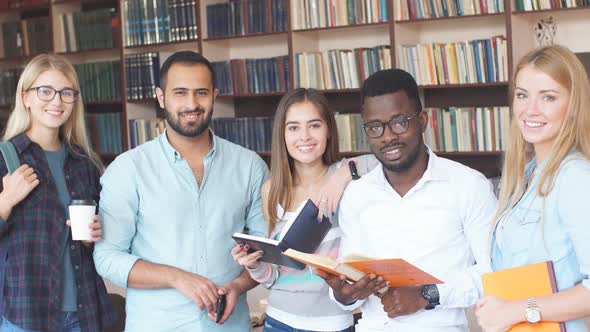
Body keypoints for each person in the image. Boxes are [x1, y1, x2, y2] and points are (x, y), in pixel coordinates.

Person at [93, 51, 268, 331]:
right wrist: (177, 277)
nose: (191, 103)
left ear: (214, 94)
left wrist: (238, 285)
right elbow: (107, 257)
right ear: (161, 97)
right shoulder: (128, 169)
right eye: (180, 93)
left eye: (201, 92)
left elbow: (265, 252)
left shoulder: (250, 166)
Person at [316, 68, 498, 332]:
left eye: (399, 121)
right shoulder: (357, 194)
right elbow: (349, 281)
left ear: (422, 120)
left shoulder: (469, 186)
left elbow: (493, 274)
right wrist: (345, 294)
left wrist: (428, 295)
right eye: (375, 127)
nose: (388, 136)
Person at [231, 88, 382, 332]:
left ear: (328, 130)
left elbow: (389, 159)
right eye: (293, 127)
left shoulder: (347, 177)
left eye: (314, 125)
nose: (304, 136)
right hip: (278, 321)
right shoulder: (272, 189)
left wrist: (344, 173)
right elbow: (273, 277)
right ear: (282, 134)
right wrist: (253, 265)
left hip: (332, 323)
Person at [474, 45, 590, 332]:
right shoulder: (525, 174)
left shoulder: (575, 177)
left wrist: (517, 310)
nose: (530, 110)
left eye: (548, 97)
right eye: (522, 95)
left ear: (573, 106)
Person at [0, 54, 114, 331]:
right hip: (26, 313)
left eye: (66, 93)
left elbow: (99, 244)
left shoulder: (84, 165)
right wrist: (5, 201)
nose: (56, 101)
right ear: (25, 97)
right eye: (45, 91)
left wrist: (94, 236)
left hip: (83, 312)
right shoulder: (5, 159)